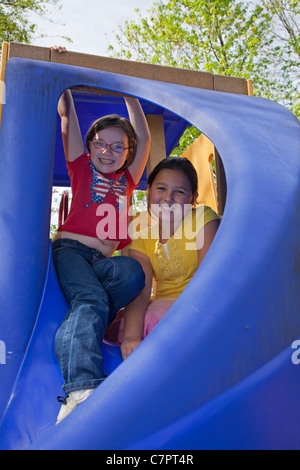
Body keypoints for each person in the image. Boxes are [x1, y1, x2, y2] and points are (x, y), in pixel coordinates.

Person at [52, 87, 151, 424]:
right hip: (71, 250)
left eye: (118, 146)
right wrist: (62, 81)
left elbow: (146, 136)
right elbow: (67, 114)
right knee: (91, 299)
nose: (107, 151)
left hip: (104, 263)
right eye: (100, 143)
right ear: (90, 145)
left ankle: (84, 317)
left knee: (133, 273)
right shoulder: (80, 166)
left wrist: (131, 91)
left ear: (128, 152)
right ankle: (80, 389)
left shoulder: (128, 179)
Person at [109, 157, 221, 360]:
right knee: (121, 325)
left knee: (156, 321)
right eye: (161, 188)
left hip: (201, 305)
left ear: (192, 198)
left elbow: (210, 280)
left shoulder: (203, 219)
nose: (168, 198)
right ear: (149, 190)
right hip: (161, 304)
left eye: (179, 191)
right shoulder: (142, 236)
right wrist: (132, 337)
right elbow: (140, 289)